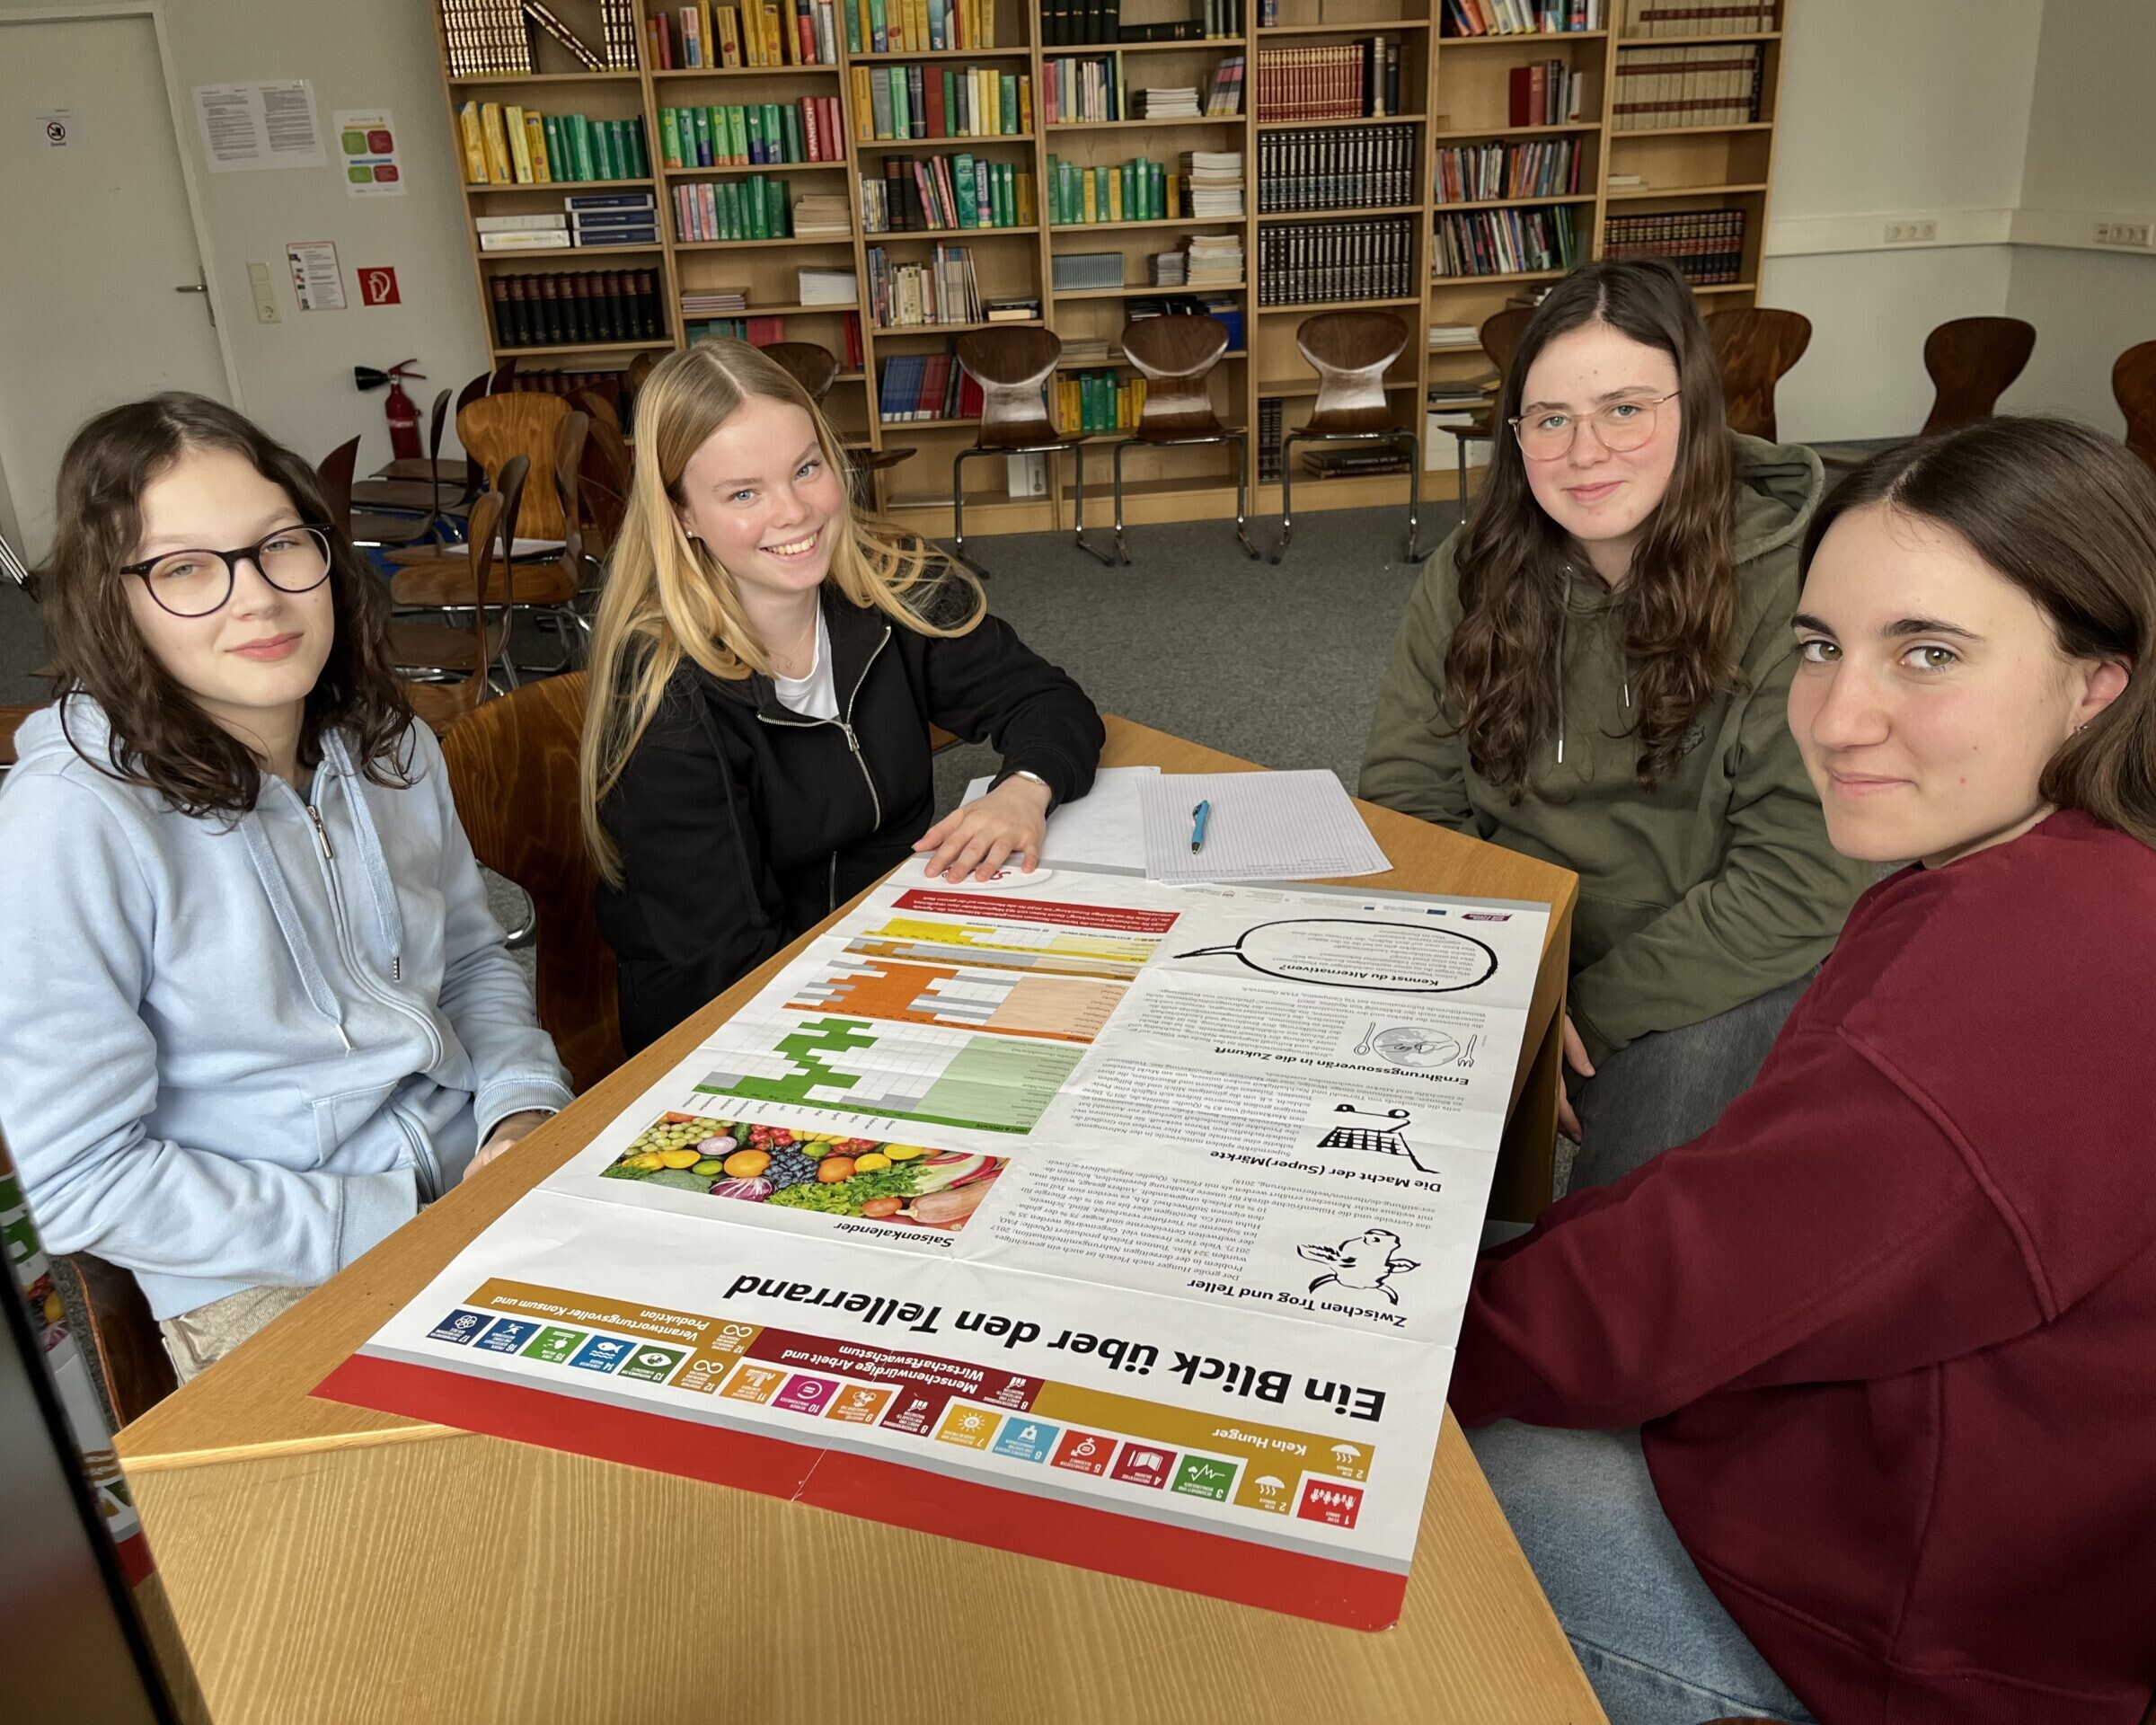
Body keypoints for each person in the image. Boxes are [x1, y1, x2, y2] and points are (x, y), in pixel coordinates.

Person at [1454, 417, 2156, 1724]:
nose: (1836, 719)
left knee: (1346, 1482)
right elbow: (1739, 1201)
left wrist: (1357, 1354)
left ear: (2097, 683)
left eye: (1929, 653)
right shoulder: (2044, 874)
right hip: (1908, 1500)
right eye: (1821, 646)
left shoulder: (2031, 974)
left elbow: (1668, 1293)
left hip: (1887, 1643)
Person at [0, 394, 573, 1383]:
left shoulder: (391, 742)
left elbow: (473, 961)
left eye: (279, 546)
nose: (257, 598)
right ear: (113, 602)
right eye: (184, 568)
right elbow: (81, 1177)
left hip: (472, 1182)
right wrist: (394, 1217)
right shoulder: (72, 818)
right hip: (270, 1268)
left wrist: (522, 1111)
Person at [1361, 260, 1873, 1187]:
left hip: (1710, 948)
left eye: (1624, 410)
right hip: (1514, 937)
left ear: (1694, 412)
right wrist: (1497, 987)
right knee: (1354, 1134)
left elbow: (1797, 881)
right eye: (1550, 419)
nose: (1584, 453)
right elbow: (1409, 798)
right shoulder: (1470, 569)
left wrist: (1583, 1017)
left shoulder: (1802, 586)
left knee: (1635, 1206)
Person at [581, 340, 1103, 1053]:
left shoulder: (895, 586)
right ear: (682, 515)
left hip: (888, 945)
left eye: (806, 469)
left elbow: (1047, 701)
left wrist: (1024, 790)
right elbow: (731, 968)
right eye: (744, 493)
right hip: (737, 1020)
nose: (795, 513)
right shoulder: (663, 699)